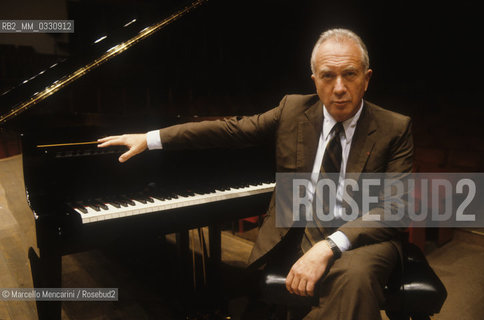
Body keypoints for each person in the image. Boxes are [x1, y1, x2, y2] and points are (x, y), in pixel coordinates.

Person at [98, 28, 413, 320]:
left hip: (364, 236)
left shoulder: (394, 127)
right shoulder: (292, 110)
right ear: (314, 80)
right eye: (328, 76)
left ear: (367, 78)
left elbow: (394, 208)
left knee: (354, 278)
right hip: (300, 229)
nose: (340, 87)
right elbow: (229, 130)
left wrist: (329, 246)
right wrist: (151, 138)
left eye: (350, 74)